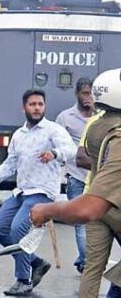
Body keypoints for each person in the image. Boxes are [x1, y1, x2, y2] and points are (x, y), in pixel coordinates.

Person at [32, 69, 121, 298]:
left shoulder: (95, 124)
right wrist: (49, 209)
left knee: (92, 269)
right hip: (108, 203)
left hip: (95, 197)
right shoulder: (118, 133)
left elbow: (85, 159)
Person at [0, 89, 76, 296]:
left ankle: (23, 279)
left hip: (42, 193)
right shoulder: (19, 134)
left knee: (17, 230)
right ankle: (36, 262)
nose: (36, 108)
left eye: (40, 104)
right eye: (32, 104)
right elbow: (10, 164)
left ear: (44, 107)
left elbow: (71, 150)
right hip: (21, 191)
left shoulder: (53, 130)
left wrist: (54, 153)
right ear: (23, 107)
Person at [55, 77, 94, 273]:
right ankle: (87, 262)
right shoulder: (65, 117)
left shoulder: (101, 116)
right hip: (77, 176)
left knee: (96, 223)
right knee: (81, 222)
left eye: (91, 93)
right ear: (77, 94)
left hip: (96, 177)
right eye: (85, 93)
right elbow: (57, 143)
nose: (88, 98)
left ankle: (83, 258)